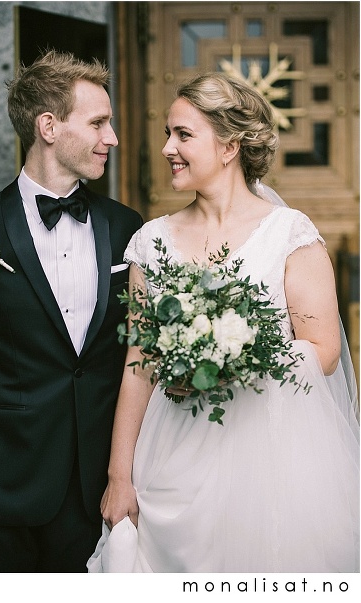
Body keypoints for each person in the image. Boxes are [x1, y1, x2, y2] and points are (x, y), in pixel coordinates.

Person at [91, 72, 359, 572]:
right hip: (171, 456)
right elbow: (139, 362)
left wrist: (234, 358)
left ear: (230, 144)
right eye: (168, 133)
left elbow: (321, 349)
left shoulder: (289, 235)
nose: (168, 147)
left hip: (268, 458)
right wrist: (119, 476)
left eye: (183, 135)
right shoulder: (151, 242)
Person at [0, 49, 143, 572]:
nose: (112, 138)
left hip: (99, 481)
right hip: (4, 481)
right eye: (98, 122)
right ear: (48, 126)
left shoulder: (125, 226)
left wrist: (122, 473)